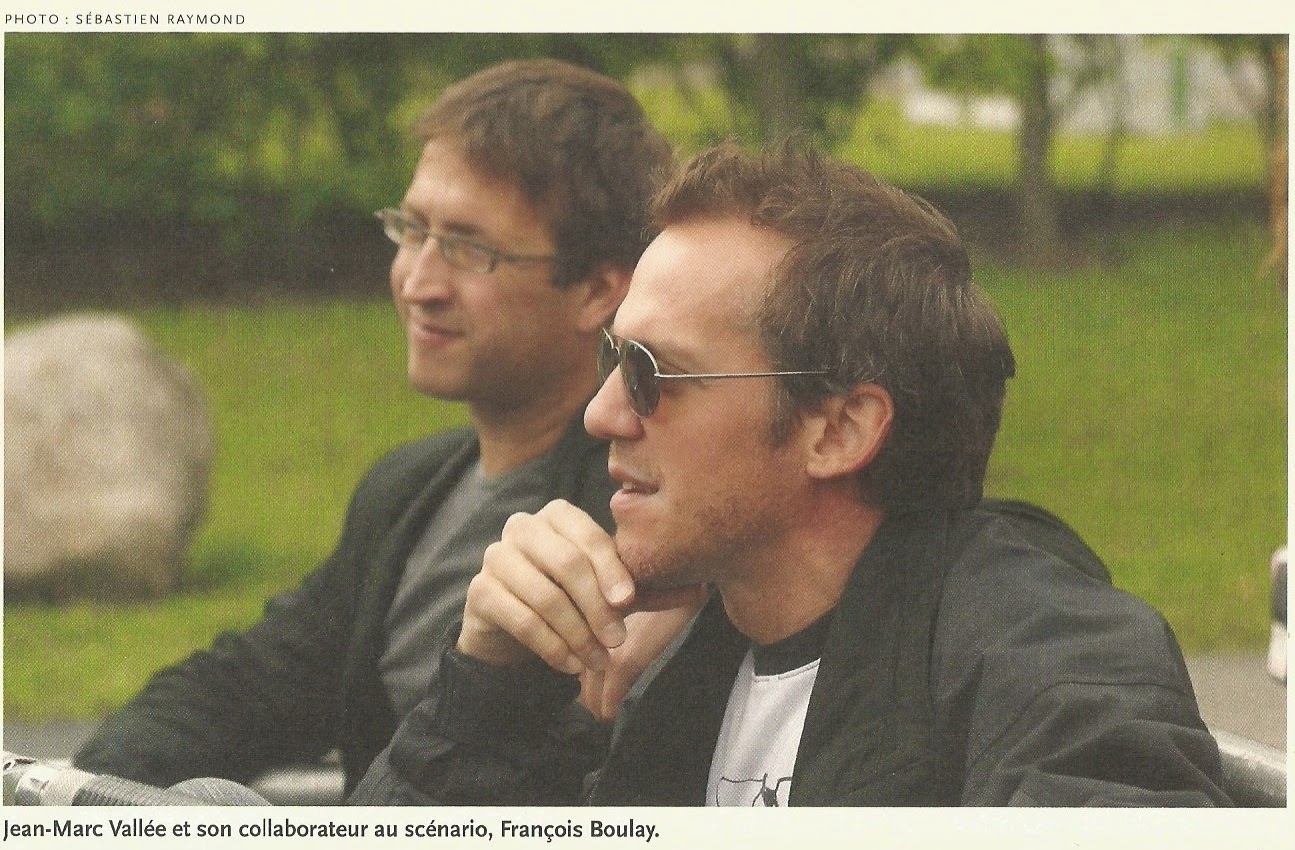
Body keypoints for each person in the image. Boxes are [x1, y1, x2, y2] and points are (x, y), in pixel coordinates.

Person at [349, 141, 1232, 806]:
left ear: (838, 430)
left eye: (652, 373)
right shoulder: (677, 657)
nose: (601, 413)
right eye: (613, 358)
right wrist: (488, 697)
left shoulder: (1042, 656)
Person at [72, 58, 675, 796]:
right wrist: (79, 795)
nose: (417, 282)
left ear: (598, 291)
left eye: (468, 248)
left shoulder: (635, 518)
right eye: (412, 230)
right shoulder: (409, 489)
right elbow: (249, 685)